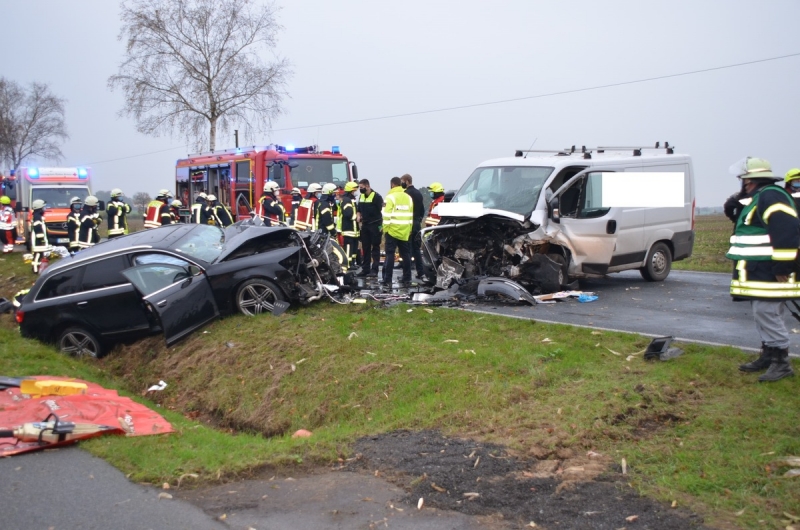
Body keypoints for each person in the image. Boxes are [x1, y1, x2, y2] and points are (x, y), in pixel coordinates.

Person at [726, 157, 798, 382]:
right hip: (760, 270)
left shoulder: (771, 196)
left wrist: (782, 266)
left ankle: (781, 362)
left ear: (750, 180)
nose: (743, 184)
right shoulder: (760, 197)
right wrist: (736, 201)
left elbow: (787, 231)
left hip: (771, 270)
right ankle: (769, 355)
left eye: (744, 180)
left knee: (766, 312)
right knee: (764, 312)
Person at [381, 176, 413, 285]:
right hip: (405, 230)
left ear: (392, 184)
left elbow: (386, 215)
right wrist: (409, 229)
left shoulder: (390, 197)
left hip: (392, 230)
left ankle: (387, 279)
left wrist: (385, 230)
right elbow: (411, 215)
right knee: (406, 255)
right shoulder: (408, 197)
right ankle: (407, 277)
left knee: (390, 254)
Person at [356, 179, 383, 277]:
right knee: (365, 247)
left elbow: (380, 210)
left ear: (367, 186)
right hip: (365, 225)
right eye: (360, 187)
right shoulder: (361, 196)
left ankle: (374, 269)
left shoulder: (377, 197)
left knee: (375, 247)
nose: (360, 189)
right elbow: (359, 209)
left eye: (362, 187)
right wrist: (358, 215)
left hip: (375, 224)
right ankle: (365, 269)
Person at [400, 174, 425, 278]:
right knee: (416, 249)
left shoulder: (406, 194)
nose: (401, 183)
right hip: (417, 224)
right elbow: (422, 210)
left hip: (408, 224)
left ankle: (407, 274)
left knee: (407, 250)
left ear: (406, 181)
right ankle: (420, 272)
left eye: (402, 181)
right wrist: (418, 220)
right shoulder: (419, 193)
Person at [338, 181, 360, 265]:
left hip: (353, 229)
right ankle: (348, 263)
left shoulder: (351, 200)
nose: (355, 192)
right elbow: (348, 214)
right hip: (348, 229)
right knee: (348, 246)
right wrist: (357, 217)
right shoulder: (346, 200)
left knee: (354, 246)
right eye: (354, 190)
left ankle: (352, 262)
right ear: (351, 190)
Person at [30, 199, 51, 273]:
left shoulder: (38, 216)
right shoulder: (37, 216)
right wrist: (41, 239)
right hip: (38, 240)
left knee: (40, 254)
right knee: (37, 254)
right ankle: (35, 269)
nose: (44, 209)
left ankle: (38, 268)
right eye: (43, 207)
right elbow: (38, 228)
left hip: (39, 239)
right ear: (39, 208)